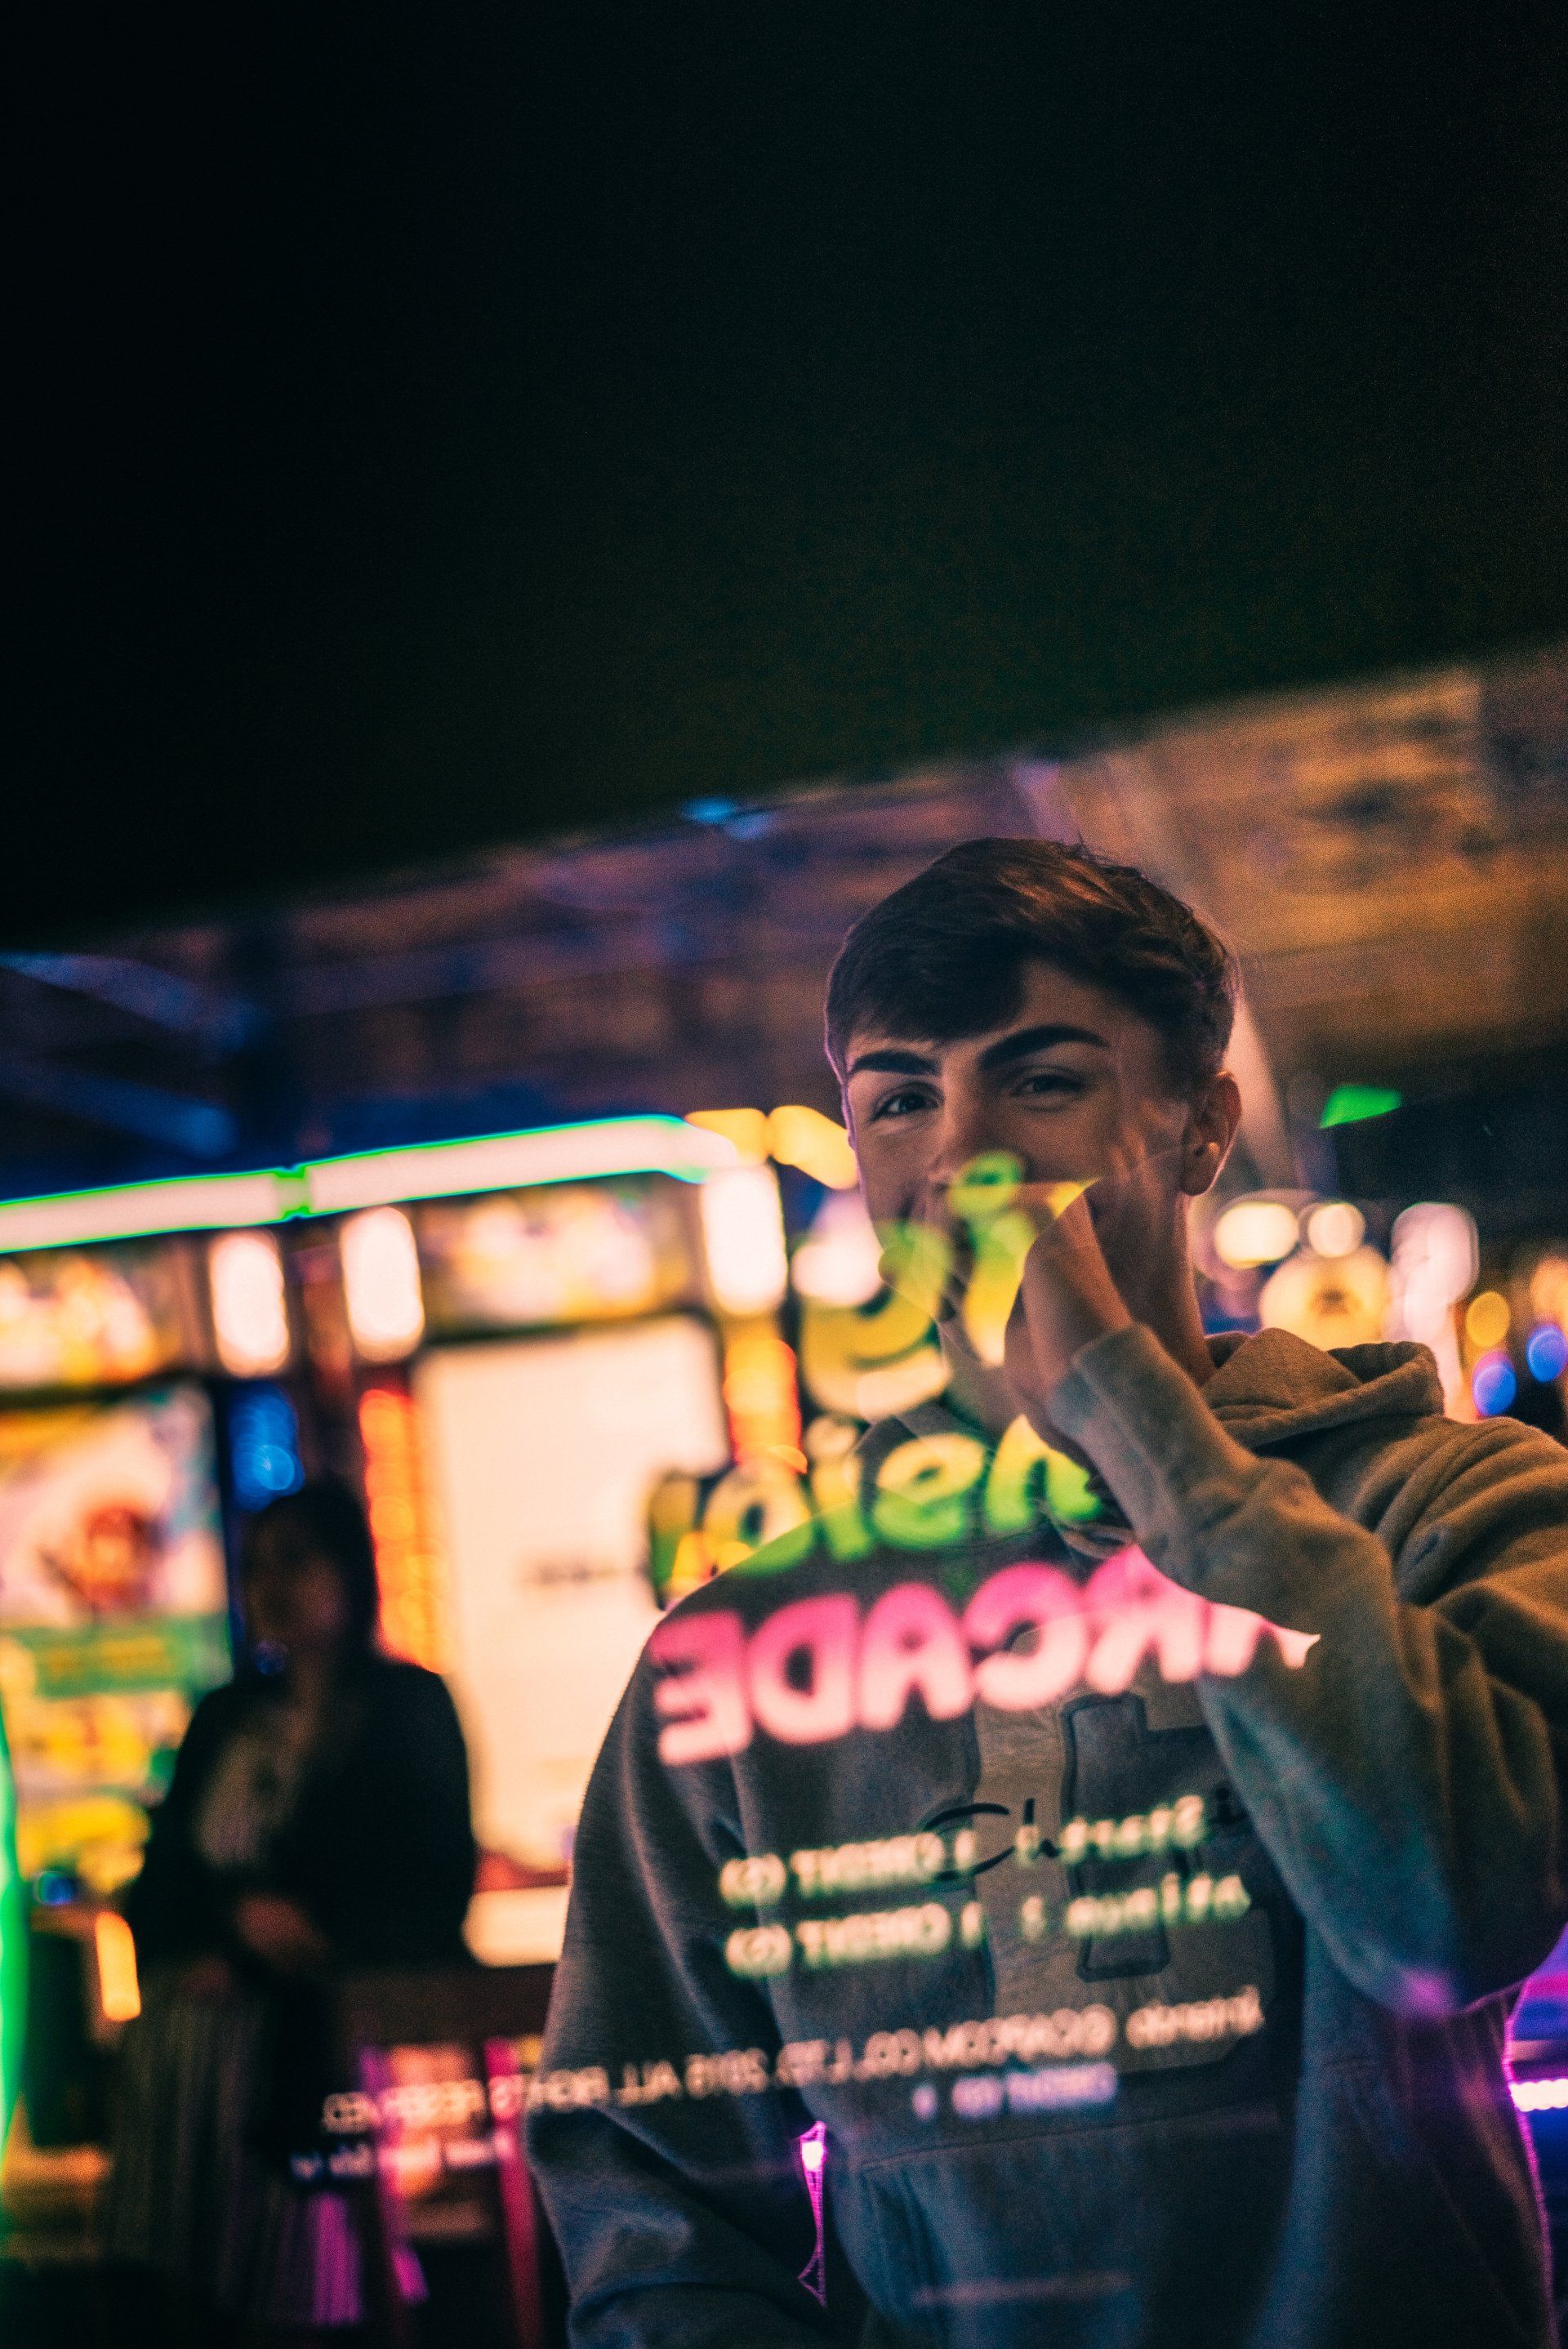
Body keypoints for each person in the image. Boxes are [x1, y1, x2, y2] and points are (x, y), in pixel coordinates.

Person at [530, 837, 1568, 2348]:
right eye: (900, 1099)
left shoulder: (1459, 1503)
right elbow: (648, 2196)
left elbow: (1447, 1911)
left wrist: (1129, 1416)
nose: (963, 1158)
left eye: (1040, 1080)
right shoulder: (742, 1652)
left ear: (1201, 1125)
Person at [107, 1478, 475, 2343]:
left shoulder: (408, 1707)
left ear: (349, 1572)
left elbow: (428, 1881)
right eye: (257, 1566)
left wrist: (286, 1941)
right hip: (192, 2052)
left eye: (295, 1560)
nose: (272, 1585)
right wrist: (231, 1927)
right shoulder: (226, 1715)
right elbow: (159, 1879)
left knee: (316, 2289)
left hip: (328, 2044)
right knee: (183, 2289)